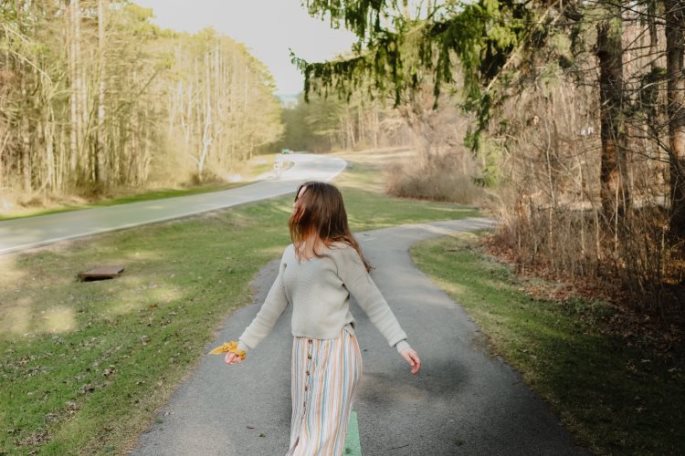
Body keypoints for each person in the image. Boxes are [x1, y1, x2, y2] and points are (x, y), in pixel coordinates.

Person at [223, 181, 421, 456]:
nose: (294, 205)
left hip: (336, 352)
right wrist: (242, 346)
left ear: (319, 207)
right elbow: (269, 310)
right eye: (296, 199)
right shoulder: (290, 254)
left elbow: (374, 302)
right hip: (302, 351)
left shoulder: (341, 253)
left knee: (319, 439)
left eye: (301, 200)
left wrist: (401, 343)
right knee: (303, 430)